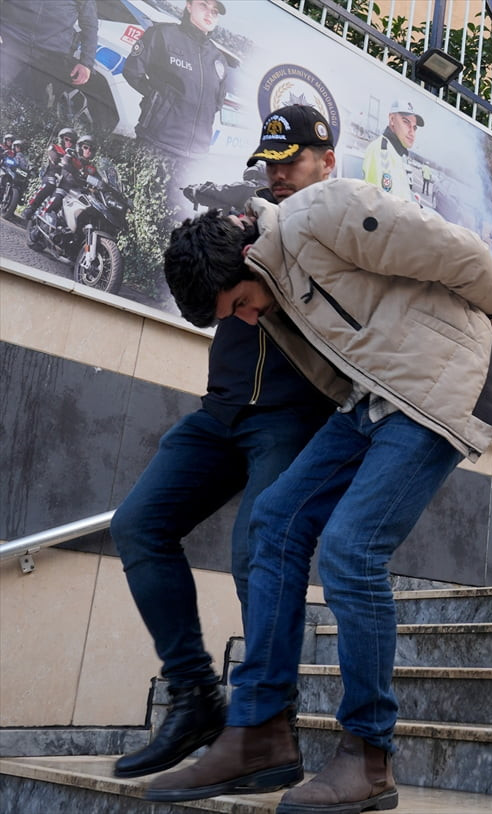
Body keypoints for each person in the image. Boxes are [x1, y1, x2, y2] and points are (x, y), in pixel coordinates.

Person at [143, 178, 492, 811]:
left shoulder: (324, 214)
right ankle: (259, 731)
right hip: (374, 397)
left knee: (351, 548)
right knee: (275, 520)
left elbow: (471, 258)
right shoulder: (271, 273)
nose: (248, 319)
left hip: (441, 384)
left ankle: (368, 754)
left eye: (238, 306)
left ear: (244, 260)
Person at [108, 105, 337, 782]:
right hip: (221, 414)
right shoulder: (249, 215)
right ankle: (195, 696)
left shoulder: (343, 221)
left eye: (291, 162)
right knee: (139, 525)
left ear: (327, 156)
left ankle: (269, 721)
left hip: (292, 420)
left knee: (257, 550)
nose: (278, 176)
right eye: (269, 164)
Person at [123, 0, 233, 158]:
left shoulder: (218, 59)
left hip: (197, 154)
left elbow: (216, 103)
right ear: (189, 6)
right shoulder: (162, 34)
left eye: (215, 11)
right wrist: (160, 101)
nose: (210, 13)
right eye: (203, 5)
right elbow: (132, 71)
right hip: (156, 142)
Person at [0, 0, 96, 100]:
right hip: (11, 42)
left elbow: (90, 26)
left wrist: (86, 62)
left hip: (49, 56)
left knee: (34, 103)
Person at [362, 99, 423, 201]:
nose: (412, 132)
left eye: (414, 127)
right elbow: (385, 205)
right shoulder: (382, 151)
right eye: (406, 122)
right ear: (392, 119)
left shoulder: (395, 153)